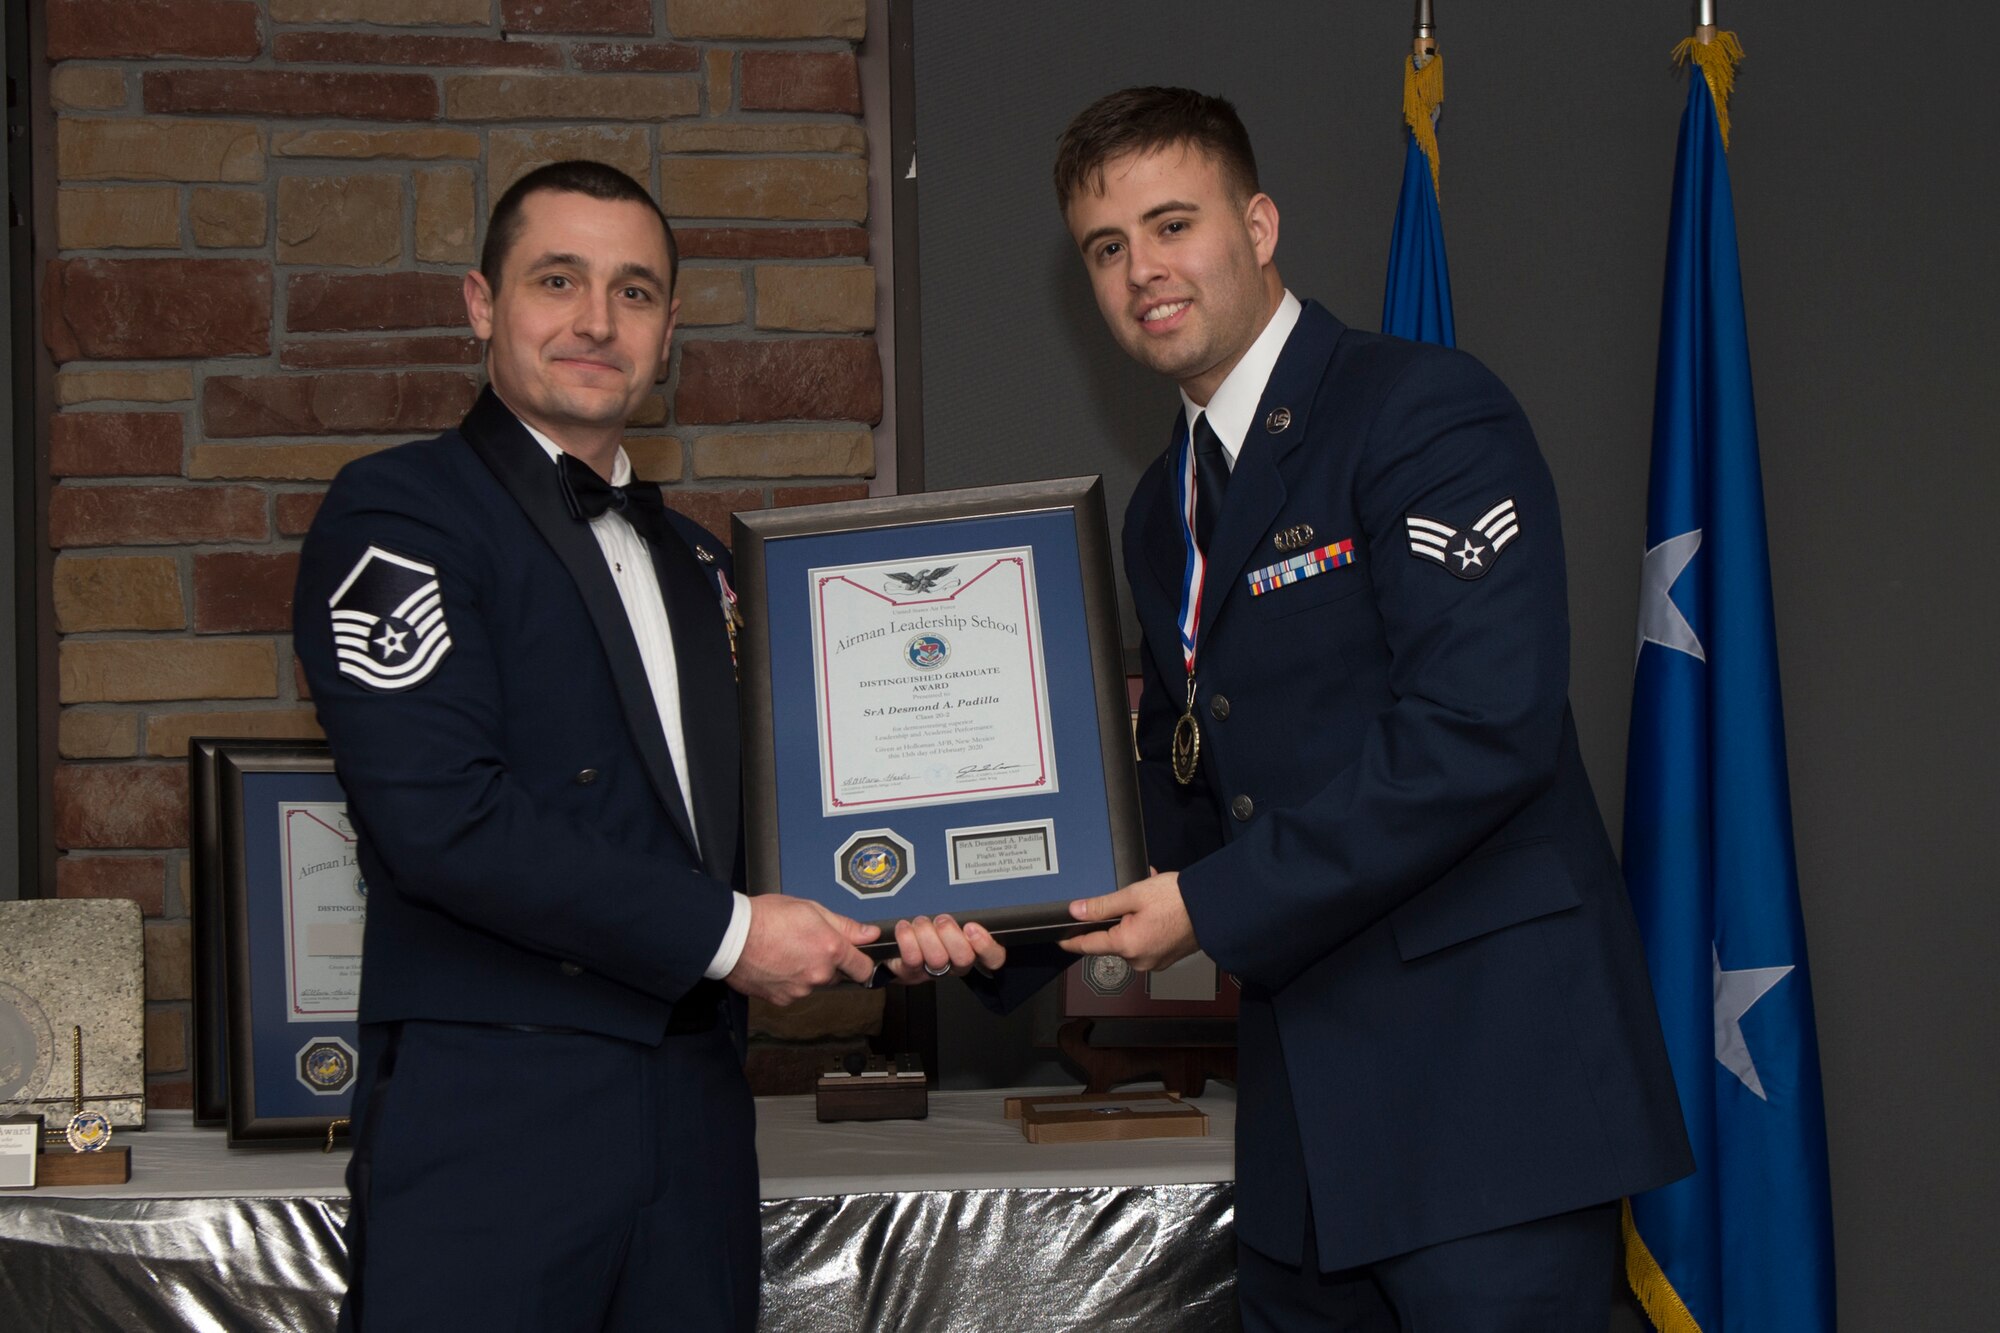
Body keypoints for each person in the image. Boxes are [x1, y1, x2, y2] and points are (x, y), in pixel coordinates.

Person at [293, 160, 985, 1332]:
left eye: (635, 291)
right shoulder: (400, 513)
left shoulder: (705, 567)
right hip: (493, 1125)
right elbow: (439, 823)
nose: (596, 322)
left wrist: (917, 902)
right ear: (481, 302)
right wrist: (732, 936)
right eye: (556, 280)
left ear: (668, 329)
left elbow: (786, 827)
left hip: (696, 1127)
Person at [1047, 88, 1696, 1330]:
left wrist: (1205, 906)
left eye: (1171, 224)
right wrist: (989, 916)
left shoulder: (1419, 412)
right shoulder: (1158, 511)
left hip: (1487, 1100)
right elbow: (1184, 784)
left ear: (1259, 222)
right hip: (1305, 1128)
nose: (1143, 270)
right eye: (1105, 246)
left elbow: (1476, 727)